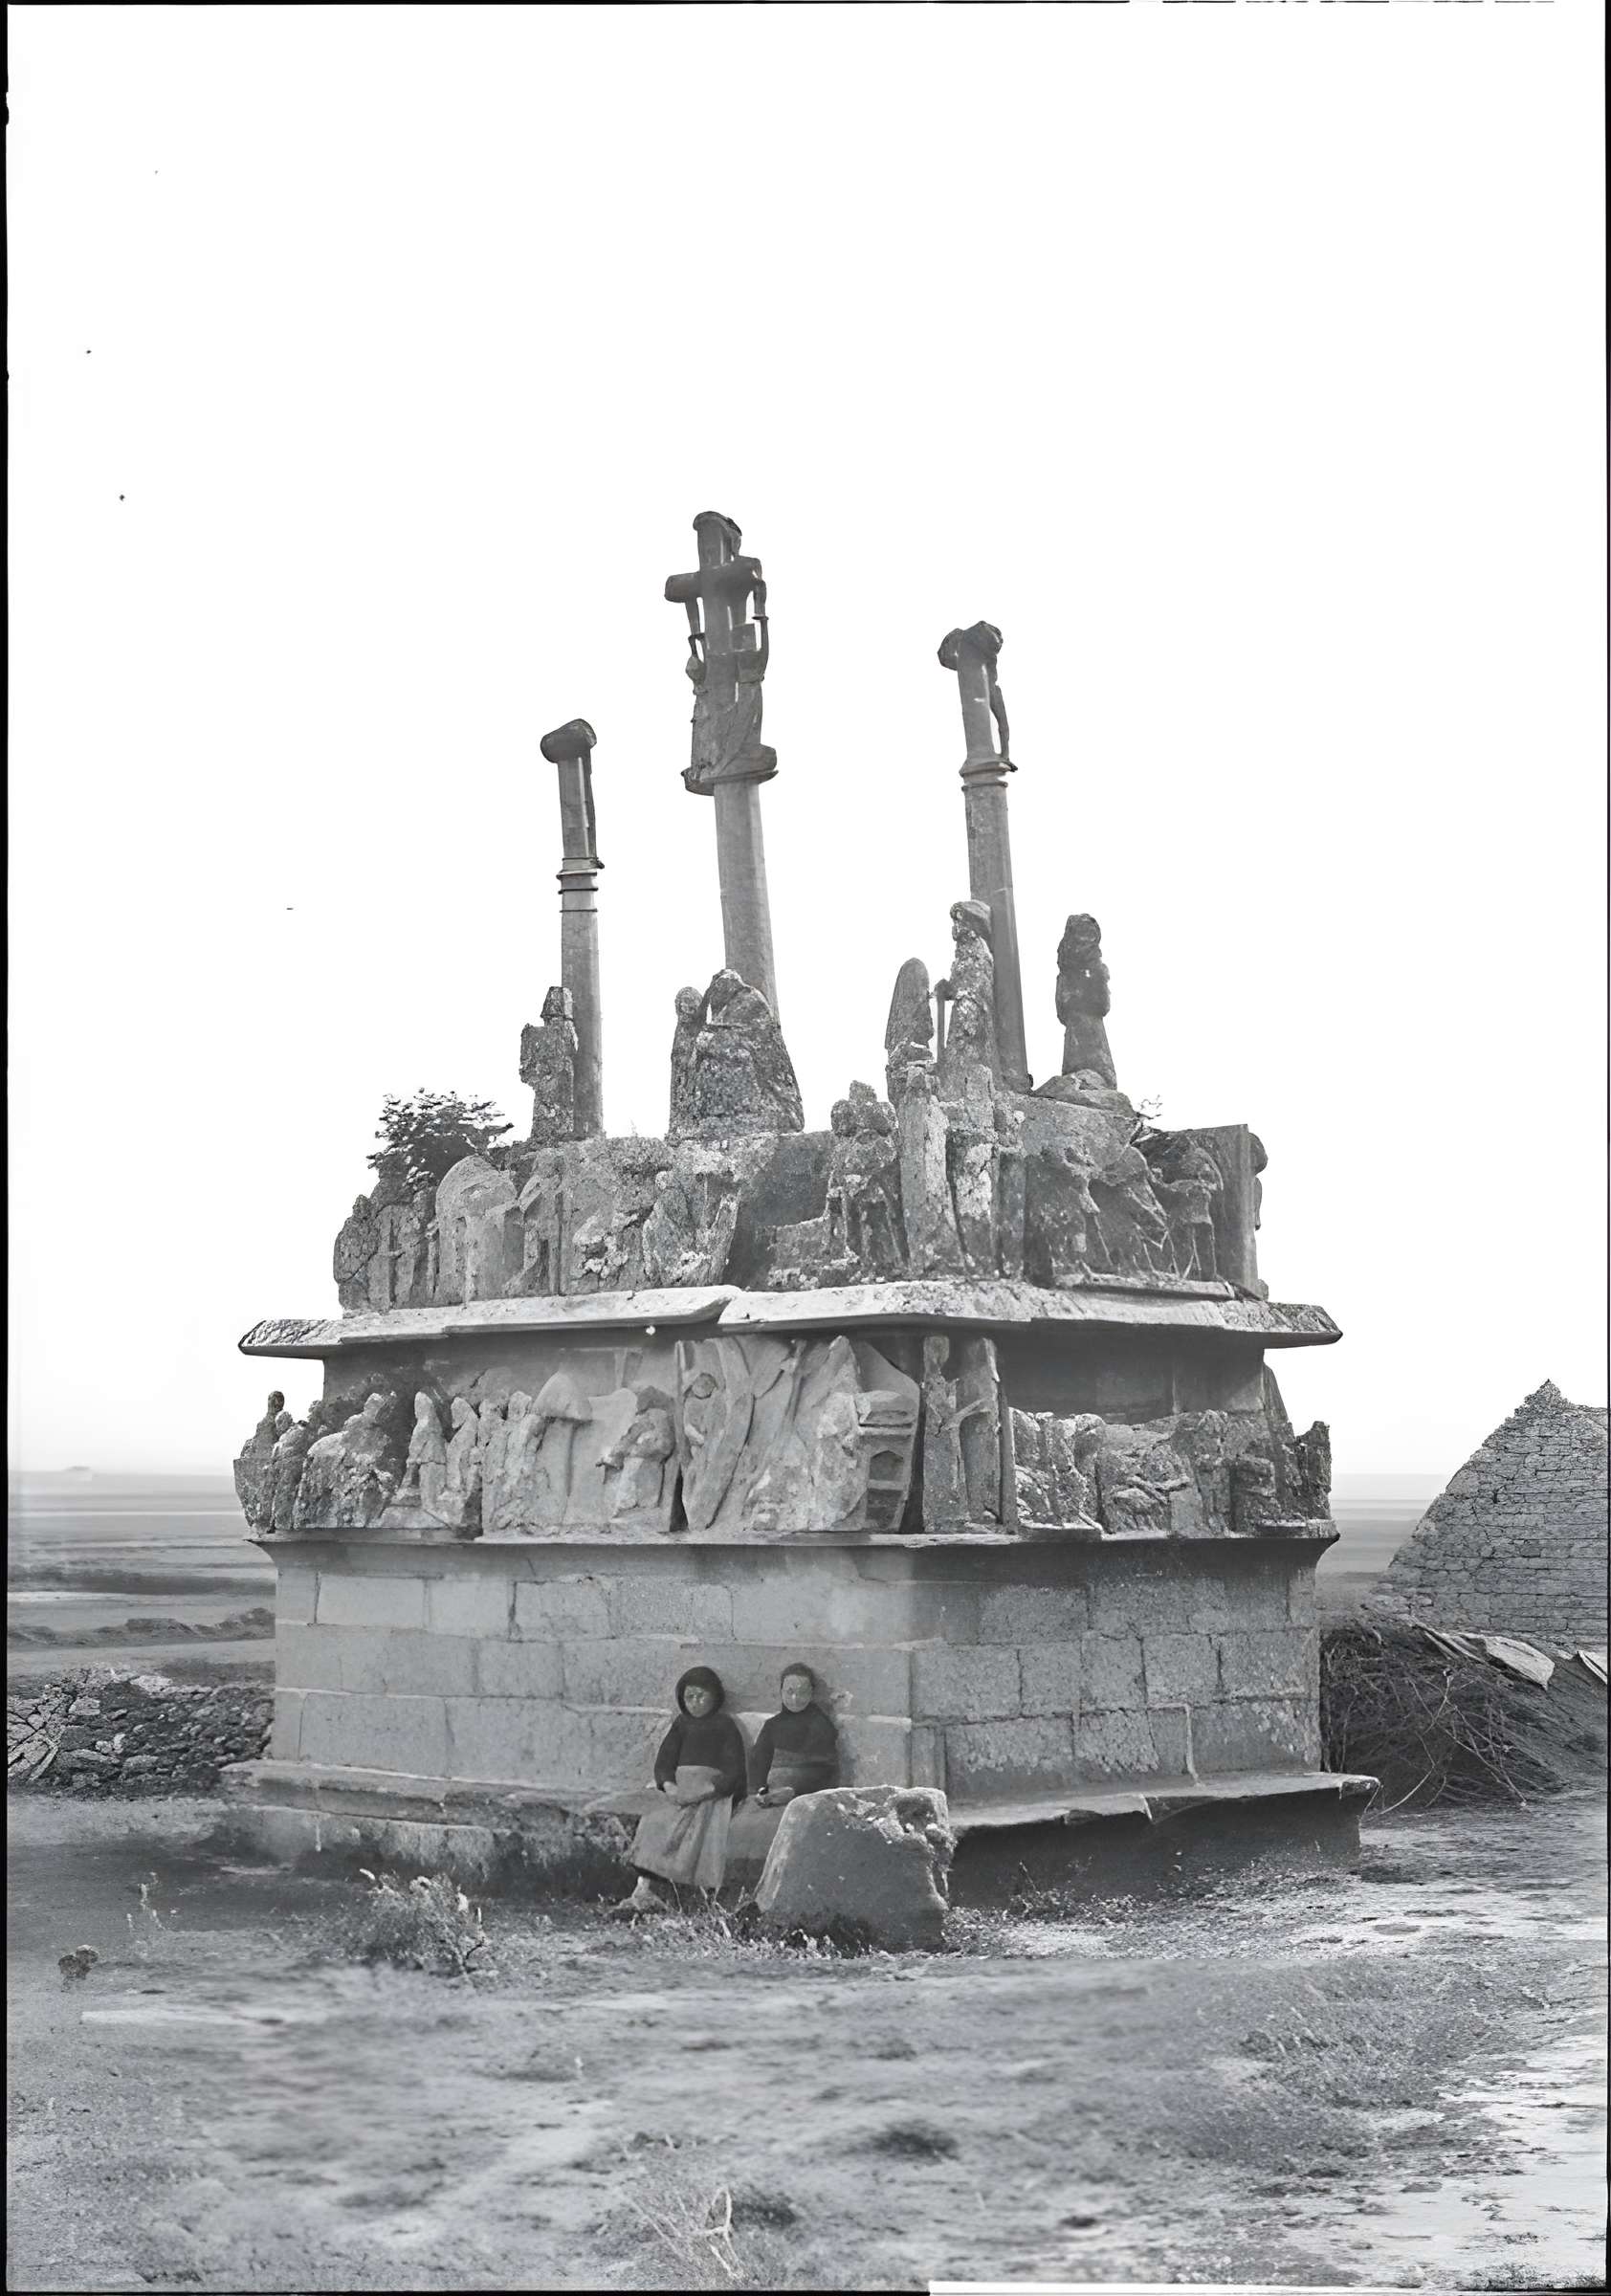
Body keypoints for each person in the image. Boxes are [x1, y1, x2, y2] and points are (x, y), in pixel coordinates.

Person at [614, 1667, 747, 1915]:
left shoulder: (725, 1725)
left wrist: (704, 1791)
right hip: (680, 1788)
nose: (695, 1703)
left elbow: (734, 1772)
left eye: (701, 1696)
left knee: (695, 1830)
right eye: (689, 1697)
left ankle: (687, 1899)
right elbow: (664, 1762)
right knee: (654, 1820)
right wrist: (669, 1786)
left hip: (709, 1792)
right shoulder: (682, 1724)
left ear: (714, 1695)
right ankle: (645, 1889)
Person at [751, 1665, 839, 1807]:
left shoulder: (820, 1726)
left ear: (812, 1693)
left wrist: (794, 1791)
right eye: (789, 1692)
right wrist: (761, 1789)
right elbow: (759, 1761)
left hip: (804, 1798)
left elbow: (826, 1770)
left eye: (802, 1692)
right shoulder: (772, 1725)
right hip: (770, 1794)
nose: (795, 1698)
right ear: (781, 1692)